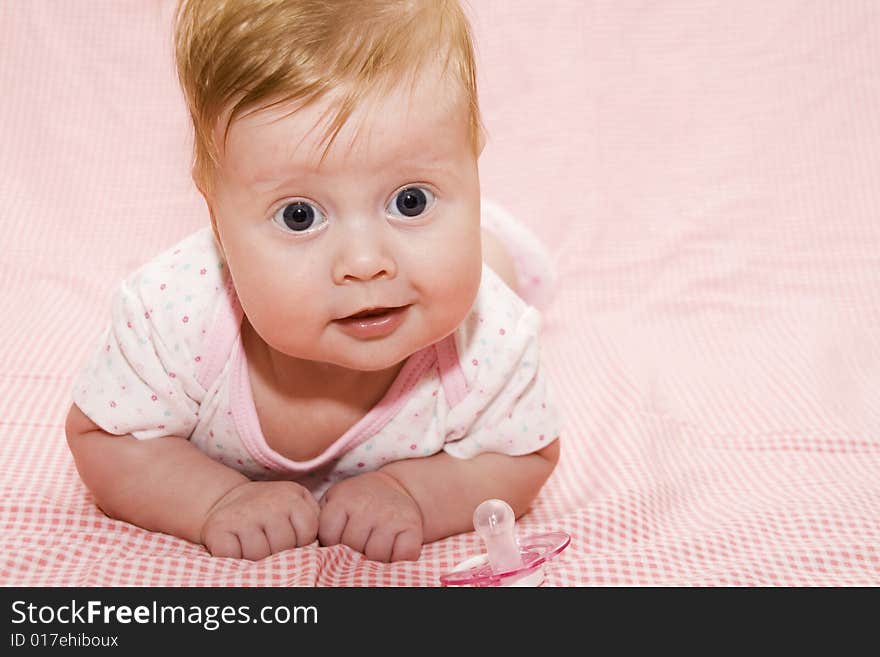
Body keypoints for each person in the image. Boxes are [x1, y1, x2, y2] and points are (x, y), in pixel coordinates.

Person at [65, 0, 561, 563]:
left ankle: (491, 239)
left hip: (480, 275)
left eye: (411, 200)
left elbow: (525, 453)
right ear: (217, 224)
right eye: (299, 215)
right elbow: (106, 438)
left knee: (496, 268)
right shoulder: (174, 317)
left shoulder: (487, 337)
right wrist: (214, 500)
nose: (366, 261)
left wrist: (415, 495)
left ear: (474, 167)